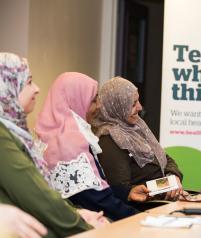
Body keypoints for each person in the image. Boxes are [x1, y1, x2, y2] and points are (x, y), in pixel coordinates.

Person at [0, 52, 106, 237]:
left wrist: (78, 214)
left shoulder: (15, 130)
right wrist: (85, 227)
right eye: (28, 82)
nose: (37, 89)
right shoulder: (2, 136)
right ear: (7, 88)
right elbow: (37, 197)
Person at [35, 72, 149, 221]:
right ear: (76, 101)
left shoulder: (55, 135)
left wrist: (125, 193)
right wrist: (141, 218)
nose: (99, 106)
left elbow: (86, 191)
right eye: (94, 100)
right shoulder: (68, 143)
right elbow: (96, 200)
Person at [91, 77, 183, 202]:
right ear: (117, 106)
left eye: (138, 101)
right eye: (133, 104)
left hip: (162, 201)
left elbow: (165, 158)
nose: (139, 107)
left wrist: (173, 177)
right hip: (144, 209)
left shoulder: (137, 126)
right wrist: (167, 184)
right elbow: (121, 189)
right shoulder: (109, 139)